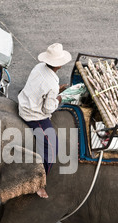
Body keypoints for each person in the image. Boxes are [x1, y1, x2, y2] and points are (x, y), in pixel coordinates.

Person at [18, 43, 72, 198]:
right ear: (60, 64)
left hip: (24, 102)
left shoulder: (39, 67)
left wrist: (56, 91)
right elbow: (48, 109)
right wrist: (59, 98)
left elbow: (41, 87)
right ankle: (39, 184)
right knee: (51, 149)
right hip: (33, 115)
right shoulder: (52, 84)